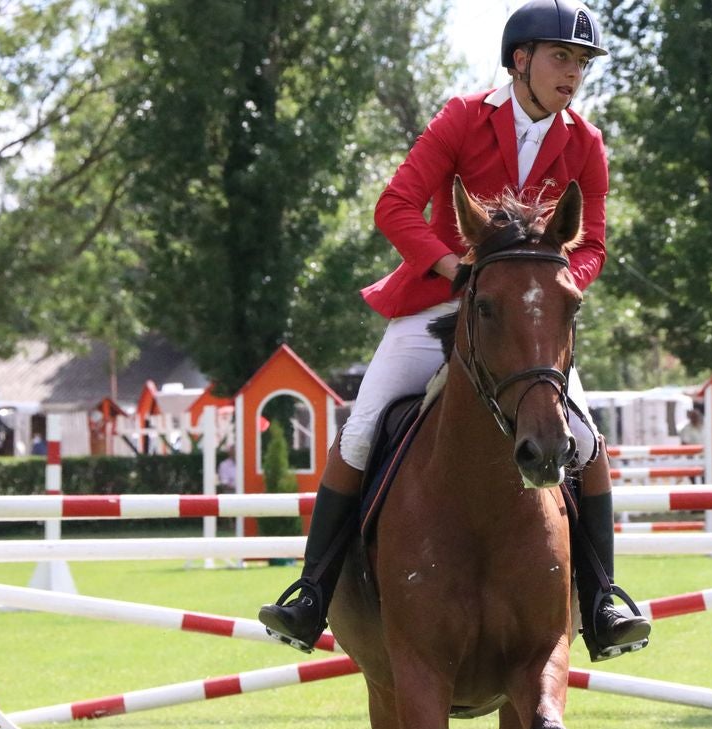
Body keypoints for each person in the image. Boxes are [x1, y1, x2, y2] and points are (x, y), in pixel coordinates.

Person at [259, 0, 650, 662]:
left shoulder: (585, 142)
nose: (574, 73)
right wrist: (451, 266)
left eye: (582, 63)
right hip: (438, 304)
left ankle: (601, 600)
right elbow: (396, 206)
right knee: (361, 427)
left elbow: (595, 245)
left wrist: (554, 288)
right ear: (520, 61)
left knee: (584, 443)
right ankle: (312, 593)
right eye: (562, 58)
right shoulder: (463, 118)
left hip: (523, 326)